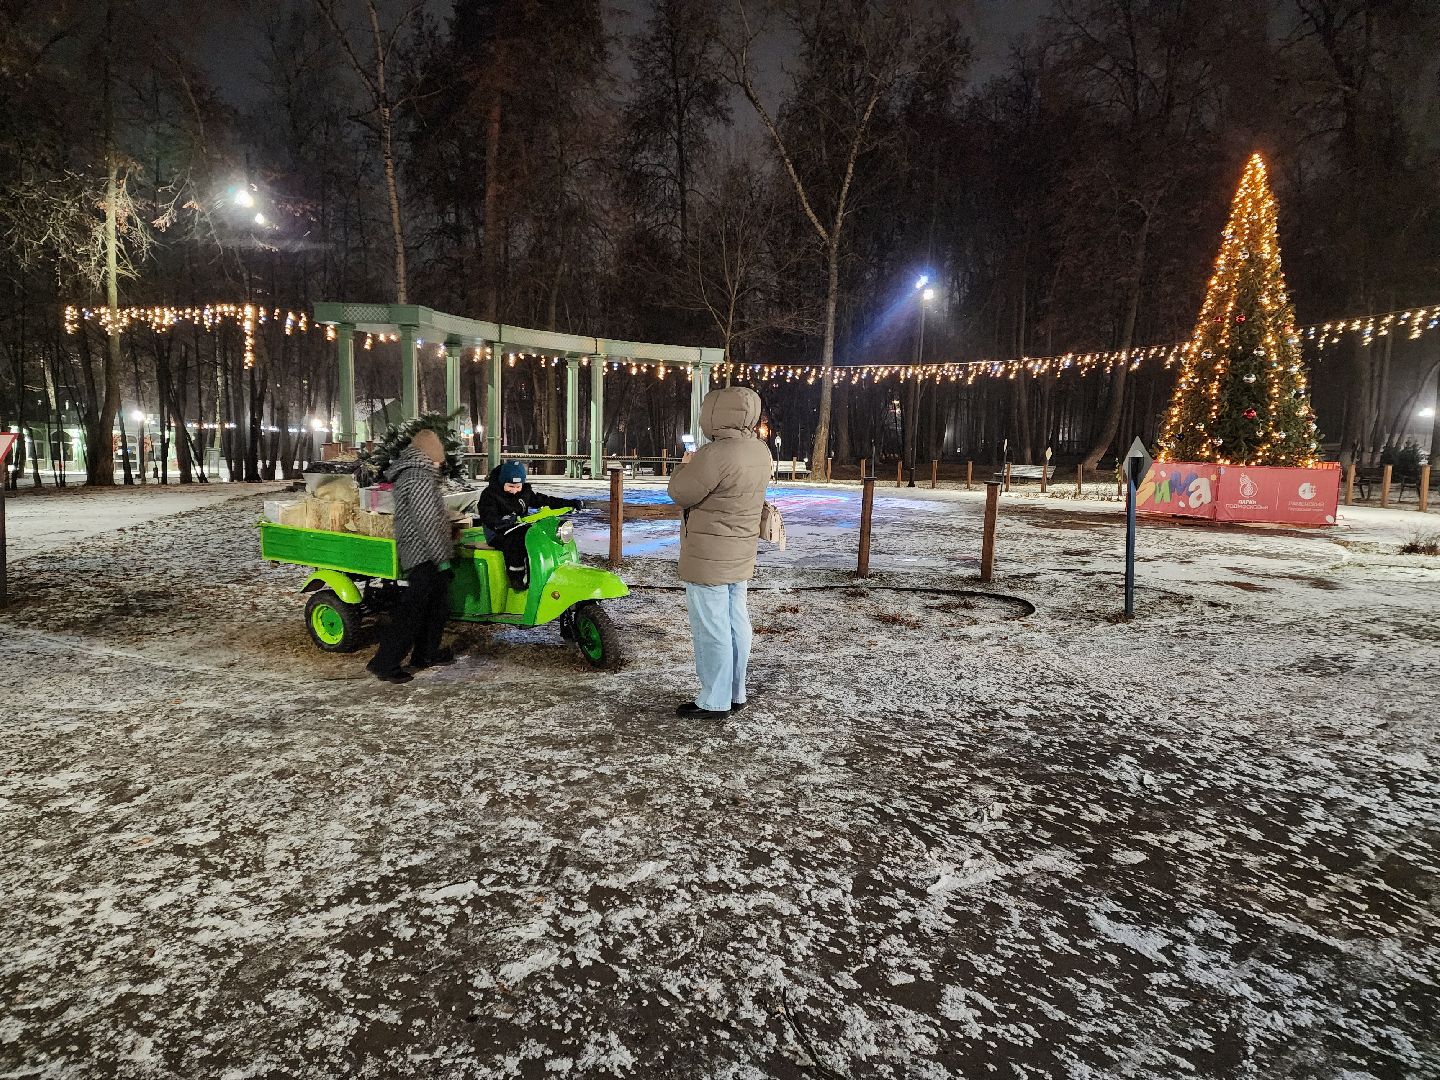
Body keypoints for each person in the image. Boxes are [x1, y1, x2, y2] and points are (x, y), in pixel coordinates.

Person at [667, 386, 773, 719]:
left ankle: (713, 700)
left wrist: (684, 465)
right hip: (741, 549)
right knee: (736, 621)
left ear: (714, 414)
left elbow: (681, 492)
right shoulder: (760, 451)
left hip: (708, 553)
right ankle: (735, 691)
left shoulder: (714, 454)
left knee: (711, 627)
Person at [366, 428, 457, 684]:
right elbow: (427, 522)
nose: (441, 462)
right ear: (429, 454)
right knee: (412, 611)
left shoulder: (421, 474)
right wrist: (442, 560)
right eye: (439, 456)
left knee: (437, 606)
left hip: (427, 552)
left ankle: (425, 654)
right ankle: (384, 663)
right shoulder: (418, 478)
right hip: (423, 554)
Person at [477, 461, 582, 590]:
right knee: (517, 541)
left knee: (538, 536)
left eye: (517, 487)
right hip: (497, 533)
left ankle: (542, 572)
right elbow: (488, 515)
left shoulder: (524, 493)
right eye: (510, 486)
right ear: (502, 482)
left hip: (519, 527)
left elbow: (545, 500)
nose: (514, 491)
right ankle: (517, 576)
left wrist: (569, 503)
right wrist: (501, 521)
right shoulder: (490, 495)